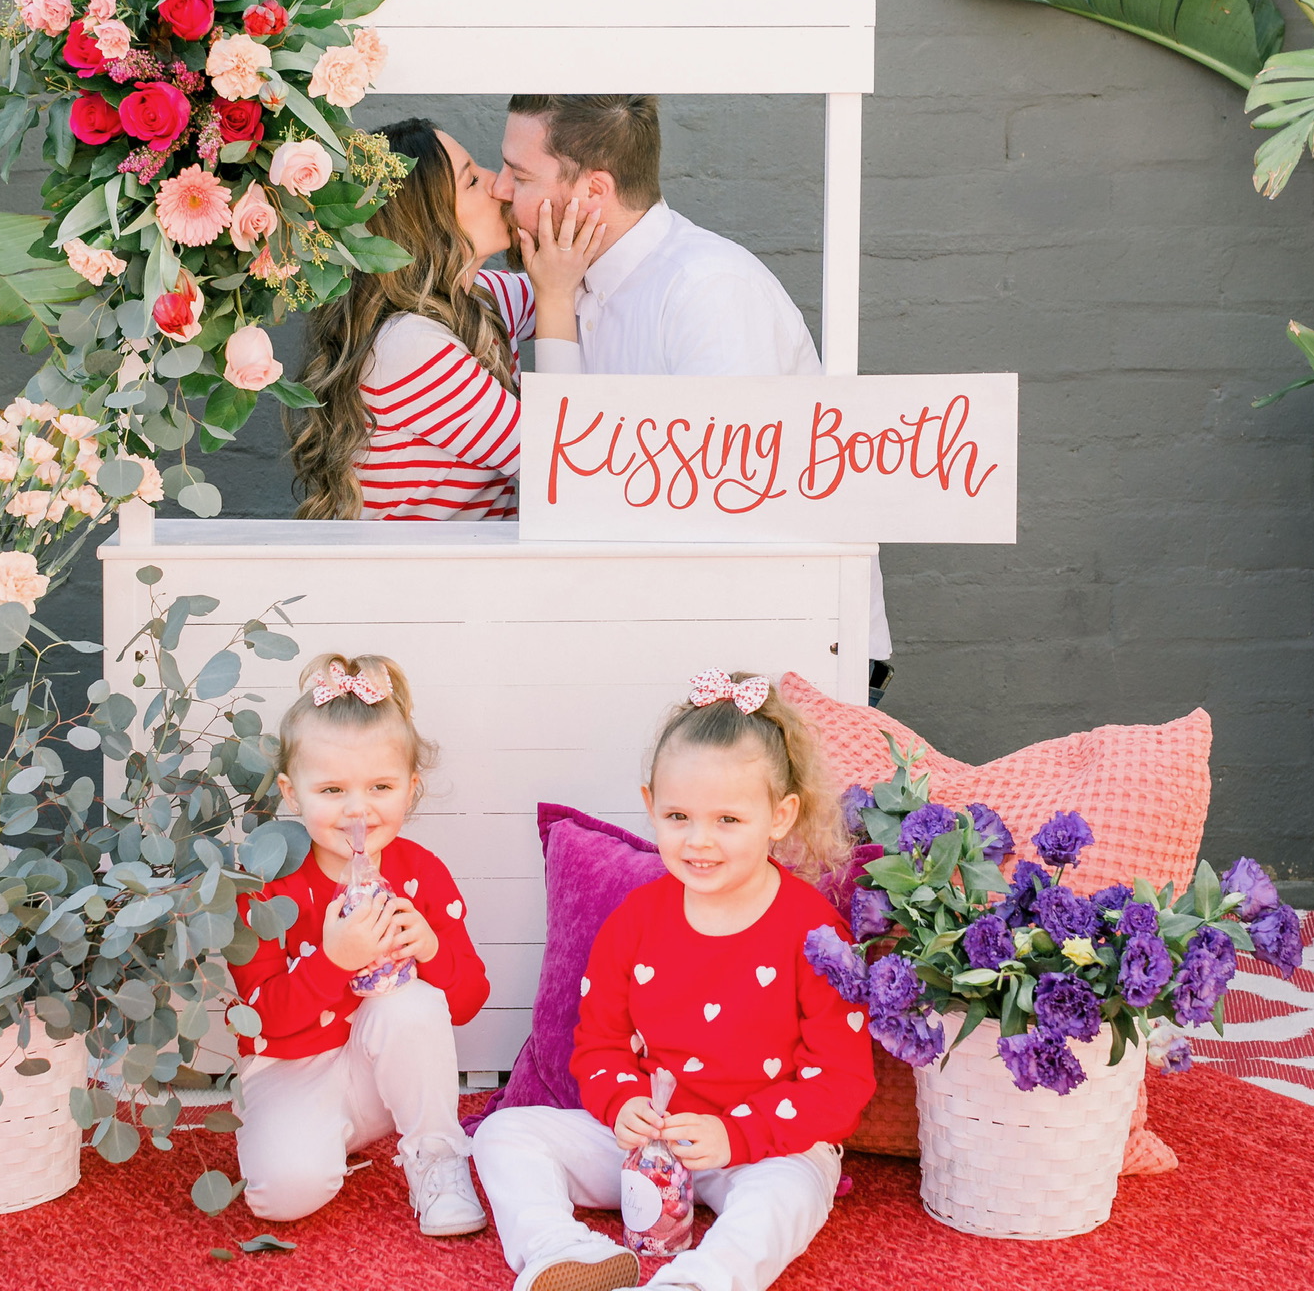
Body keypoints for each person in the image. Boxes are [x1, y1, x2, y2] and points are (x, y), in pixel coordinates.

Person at [471, 669, 877, 1291]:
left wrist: (737, 1133)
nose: (699, 841)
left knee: (789, 1193)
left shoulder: (814, 932)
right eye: (679, 815)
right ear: (649, 804)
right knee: (506, 1131)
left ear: (780, 815)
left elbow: (843, 1082)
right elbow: (599, 1043)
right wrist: (622, 1102)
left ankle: (696, 1282)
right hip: (649, 1140)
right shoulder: (635, 921)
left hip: (764, 1147)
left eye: (728, 820)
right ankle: (560, 1251)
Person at [494, 95, 894, 703]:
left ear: (592, 191)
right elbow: (568, 485)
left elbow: (729, 508)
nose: (500, 190)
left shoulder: (706, 292)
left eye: (520, 176)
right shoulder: (573, 280)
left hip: (789, 655)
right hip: (684, 640)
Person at [228, 654, 492, 1236]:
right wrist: (332, 962)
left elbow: (468, 1002)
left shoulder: (420, 872)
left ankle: (436, 1156)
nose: (357, 808)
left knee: (412, 1002)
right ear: (291, 793)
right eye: (331, 788)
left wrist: (428, 949)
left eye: (380, 786)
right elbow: (256, 1024)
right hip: (290, 1066)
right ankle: (319, 1137)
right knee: (279, 1197)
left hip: (383, 1070)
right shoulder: (267, 886)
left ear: (410, 788)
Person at [288, 118, 601, 521]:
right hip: (420, 579)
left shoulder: (478, 298)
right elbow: (561, 467)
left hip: (466, 572)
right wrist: (555, 295)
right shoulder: (410, 347)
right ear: (427, 222)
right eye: (471, 180)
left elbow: (584, 289)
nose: (498, 185)